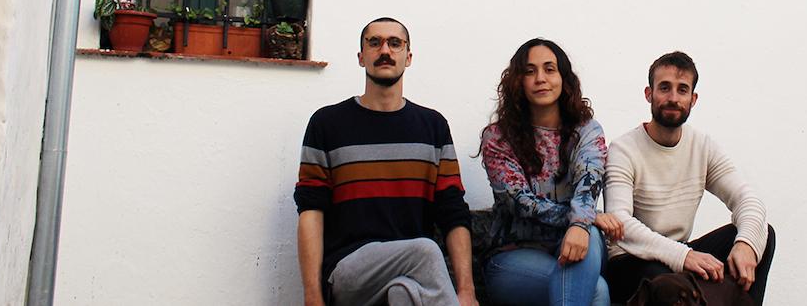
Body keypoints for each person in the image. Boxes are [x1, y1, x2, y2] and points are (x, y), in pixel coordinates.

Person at [294, 17, 479, 306]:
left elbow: (452, 211)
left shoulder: (433, 127)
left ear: (409, 57)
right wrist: (312, 297)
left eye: (395, 43)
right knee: (425, 251)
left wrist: (467, 291)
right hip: (347, 270)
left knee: (403, 293)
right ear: (361, 57)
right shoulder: (327, 124)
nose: (385, 50)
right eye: (374, 42)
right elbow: (311, 212)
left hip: (412, 275)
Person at [604, 51, 776, 305]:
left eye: (682, 90)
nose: (673, 98)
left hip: (680, 253)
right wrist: (683, 257)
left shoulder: (702, 145)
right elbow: (620, 223)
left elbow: (747, 199)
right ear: (648, 94)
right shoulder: (623, 149)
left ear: (693, 99)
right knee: (666, 282)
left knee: (762, 234)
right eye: (664, 88)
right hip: (631, 261)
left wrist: (746, 245)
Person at [478, 38, 623, 306]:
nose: (540, 78)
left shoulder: (587, 131)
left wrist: (581, 223)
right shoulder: (498, 138)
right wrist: (582, 219)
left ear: (563, 78)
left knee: (587, 233)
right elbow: (519, 201)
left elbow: (588, 185)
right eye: (530, 71)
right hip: (513, 256)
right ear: (518, 81)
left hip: (580, 247)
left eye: (549, 69)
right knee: (598, 291)